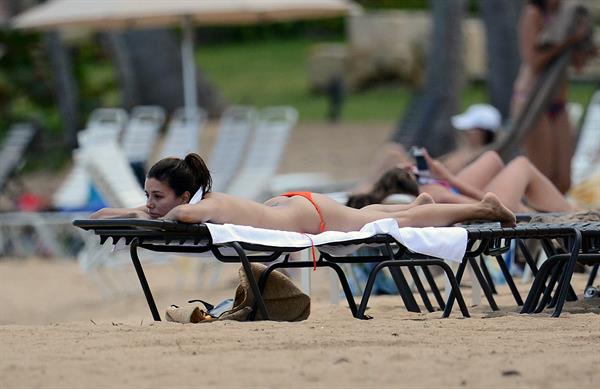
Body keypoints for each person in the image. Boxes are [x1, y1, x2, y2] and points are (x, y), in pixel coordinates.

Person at [90, 153, 517, 230]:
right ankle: (423, 204)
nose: (149, 203)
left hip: (308, 216)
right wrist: (115, 212)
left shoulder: (204, 207)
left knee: (388, 221)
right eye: (147, 194)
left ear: (183, 196)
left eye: (157, 196)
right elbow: (99, 215)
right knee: (376, 215)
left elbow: (179, 218)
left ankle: (482, 209)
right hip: (294, 207)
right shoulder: (199, 204)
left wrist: (143, 214)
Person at [512, 0, 594, 194]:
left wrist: (585, 48)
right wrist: (569, 40)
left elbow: (578, 66)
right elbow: (534, 62)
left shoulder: (567, 14)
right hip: (534, 101)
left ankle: (555, 218)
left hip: (559, 102)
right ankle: (540, 221)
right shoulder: (533, 13)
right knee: (543, 176)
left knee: (564, 180)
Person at [347, 149, 576, 214]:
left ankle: (568, 213)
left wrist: (442, 175)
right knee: (521, 164)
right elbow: (489, 206)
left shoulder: (429, 189)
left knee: (492, 158)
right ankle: (571, 216)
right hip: (497, 214)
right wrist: (447, 177)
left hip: (457, 195)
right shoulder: (435, 194)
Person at [444, 104, 502, 173]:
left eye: (470, 130)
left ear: (482, 133)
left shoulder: (484, 159)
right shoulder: (468, 151)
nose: (465, 133)